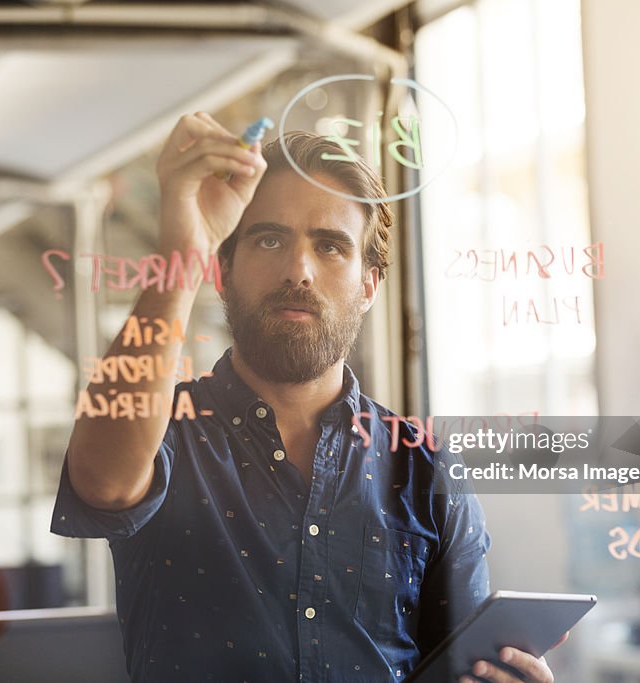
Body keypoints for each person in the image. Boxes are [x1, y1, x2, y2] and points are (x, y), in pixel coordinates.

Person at [51, 112, 563, 682]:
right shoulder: (166, 429)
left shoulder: (426, 466)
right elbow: (104, 482)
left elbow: (461, 671)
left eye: (330, 246)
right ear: (221, 271)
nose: (298, 270)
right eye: (269, 239)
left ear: (368, 286)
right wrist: (183, 251)